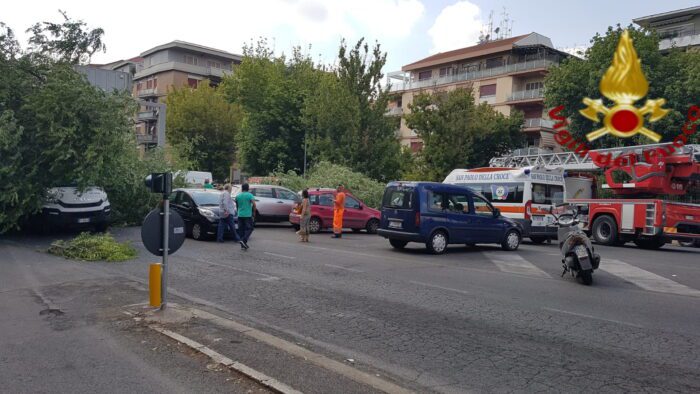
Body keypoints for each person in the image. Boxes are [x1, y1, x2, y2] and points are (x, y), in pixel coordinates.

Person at [235, 183, 256, 249]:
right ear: (248, 188)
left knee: (241, 229)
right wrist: (254, 212)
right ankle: (243, 240)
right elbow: (254, 204)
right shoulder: (250, 195)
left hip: (240, 214)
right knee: (250, 228)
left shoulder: (238, 196)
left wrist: (239, 211)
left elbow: (237, 205)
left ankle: (243, 245)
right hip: (247, 215)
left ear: (242, 188)